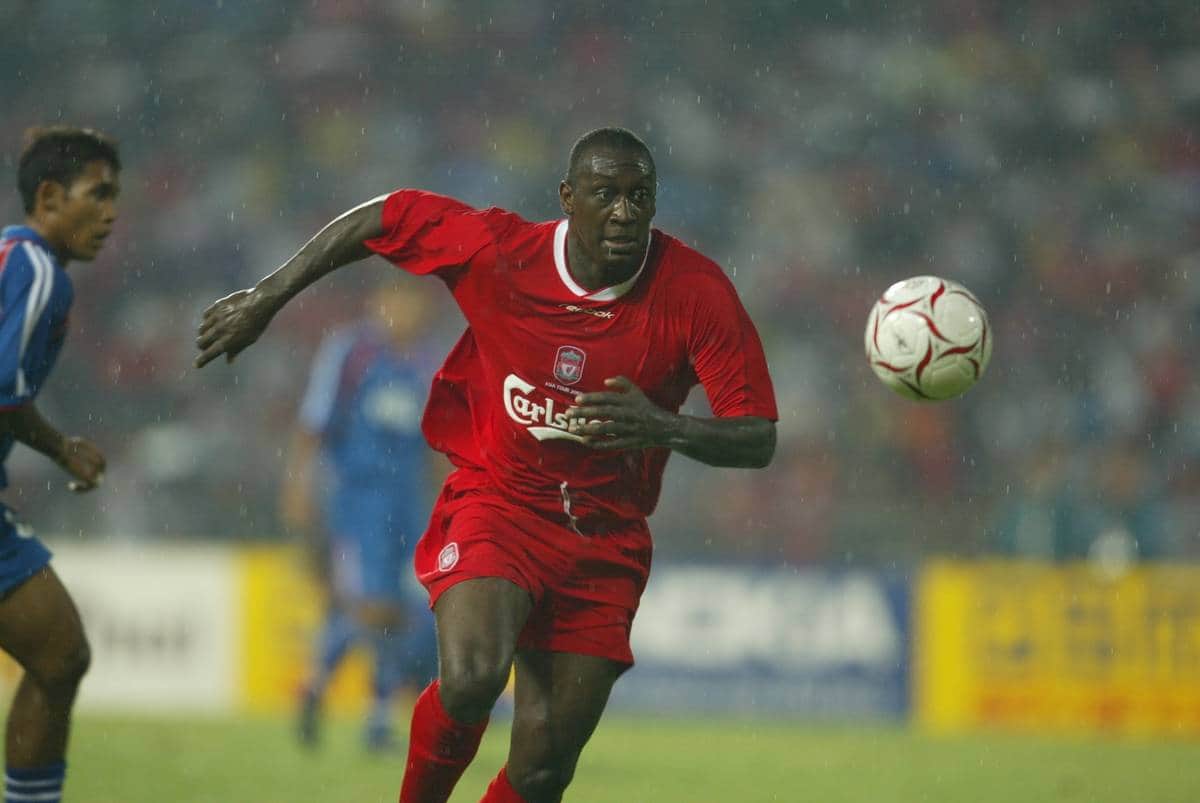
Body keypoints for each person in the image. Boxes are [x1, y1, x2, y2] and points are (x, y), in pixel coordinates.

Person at [196, 127, 777, 803]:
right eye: (605, 193)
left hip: (605, 535)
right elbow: (385, 212)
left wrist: (665, 426)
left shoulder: (695, 291)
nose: (624, 211)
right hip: (500, 499)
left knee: (542, 768)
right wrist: (266, 296)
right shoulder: (500, 251)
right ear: (567, 198)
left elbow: (755, 434)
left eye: (639, 196)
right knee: (472, 676)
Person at [0, 126, 120, 803]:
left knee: (59, 654)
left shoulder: (10, 258)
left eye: (116, 197)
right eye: (97, 194)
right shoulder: (39, 272)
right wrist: (61, 446)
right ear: (49, 196)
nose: (111, 213)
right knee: (60, 654)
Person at [279, 281, 438, 751]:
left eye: (413, 302)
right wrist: (299, 486)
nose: (404, 311)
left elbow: (436, 443)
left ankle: (368, 714)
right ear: (380, 301)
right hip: (357, 501)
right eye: (396, 299)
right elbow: (313, 424)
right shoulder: (351, 352)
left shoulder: (429, 362)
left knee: (400, 611)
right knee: (370, 607)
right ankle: (329, 694)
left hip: (408, 503)